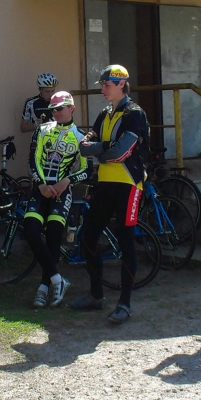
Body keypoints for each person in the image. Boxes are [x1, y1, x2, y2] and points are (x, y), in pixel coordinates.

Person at [68, 65, 148, 324]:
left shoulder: (134, 113)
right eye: (102, 85)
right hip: (104, 183)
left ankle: (124, 304)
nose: (103, 89)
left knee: (126, 243)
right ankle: (96, 295)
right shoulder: (105, 113)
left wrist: (100, 150)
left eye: (107, 85)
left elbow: (120, 152)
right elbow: (83, 146)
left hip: (128, 184)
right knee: (88, 237)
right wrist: (104, 148)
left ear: (122, 84)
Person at [23, 91, 90, 308]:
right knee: (31, 231)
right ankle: (58, 279)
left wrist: (67, 181)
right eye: (53, 109)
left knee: (53, 236)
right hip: (41, 189)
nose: (56, 112)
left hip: (62, 192)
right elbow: (33, 159)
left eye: (60, 108)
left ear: (72, 108)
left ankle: (43, 289)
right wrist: (41, 184)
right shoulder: (42, 130)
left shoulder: (81, 137)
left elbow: (87, 170)